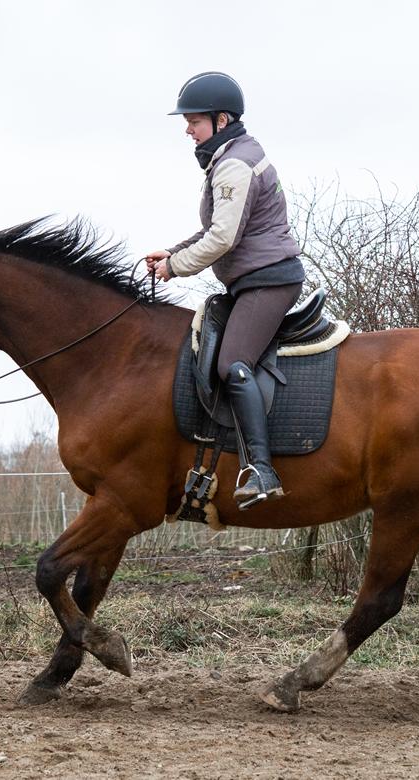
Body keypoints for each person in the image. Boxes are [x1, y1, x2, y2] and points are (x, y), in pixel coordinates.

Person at [145, 71, 304, 510]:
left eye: (193, 121)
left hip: (268, 280)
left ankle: (262, 470)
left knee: (233, 365)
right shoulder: (229, 157)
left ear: (221, 119)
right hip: (251, 279)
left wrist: (175, 267)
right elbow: (213, 230)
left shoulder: (234, 164)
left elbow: (223, 239)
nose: (187, 129)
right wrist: (172, 252)